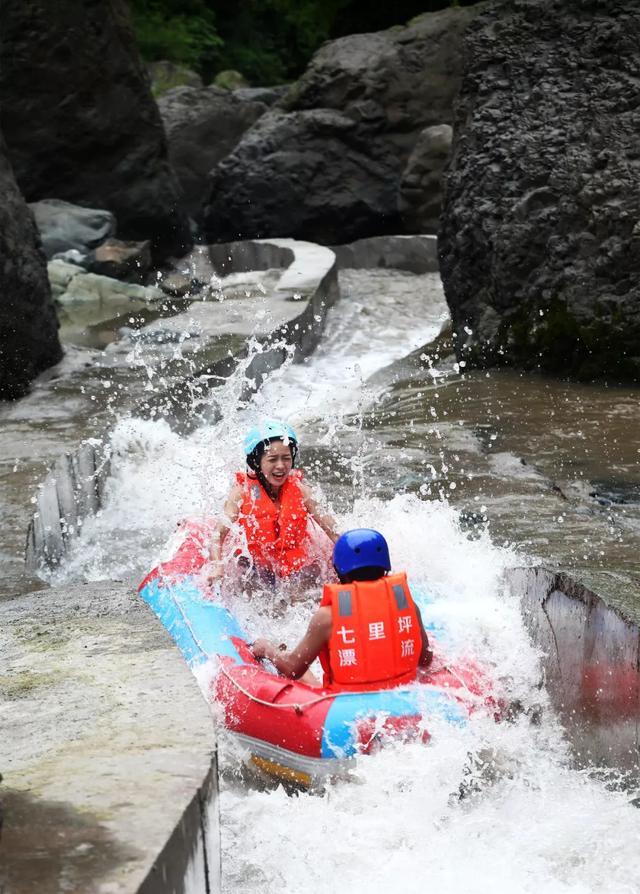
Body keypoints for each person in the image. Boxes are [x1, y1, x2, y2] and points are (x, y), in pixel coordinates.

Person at [251, 528, 433, 689]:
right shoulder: (407, 605)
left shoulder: (327, 617)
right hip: (400, 695)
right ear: (385, 567)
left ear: (339, 572)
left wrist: (267, 649)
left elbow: (293, 669)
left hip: (344, 707)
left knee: (288, 663)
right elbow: (424, 659)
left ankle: (276, 649)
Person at [208, 420, 339, 590]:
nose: (281, 466)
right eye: (272, 459)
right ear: (256, 462)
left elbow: (335, 533)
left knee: (308, 584)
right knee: (248, 583)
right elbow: (217, 536)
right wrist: (217, 566)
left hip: (294, 567)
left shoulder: (302, 492)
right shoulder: (241, 493)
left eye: (286, 458)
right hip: (255, 567)